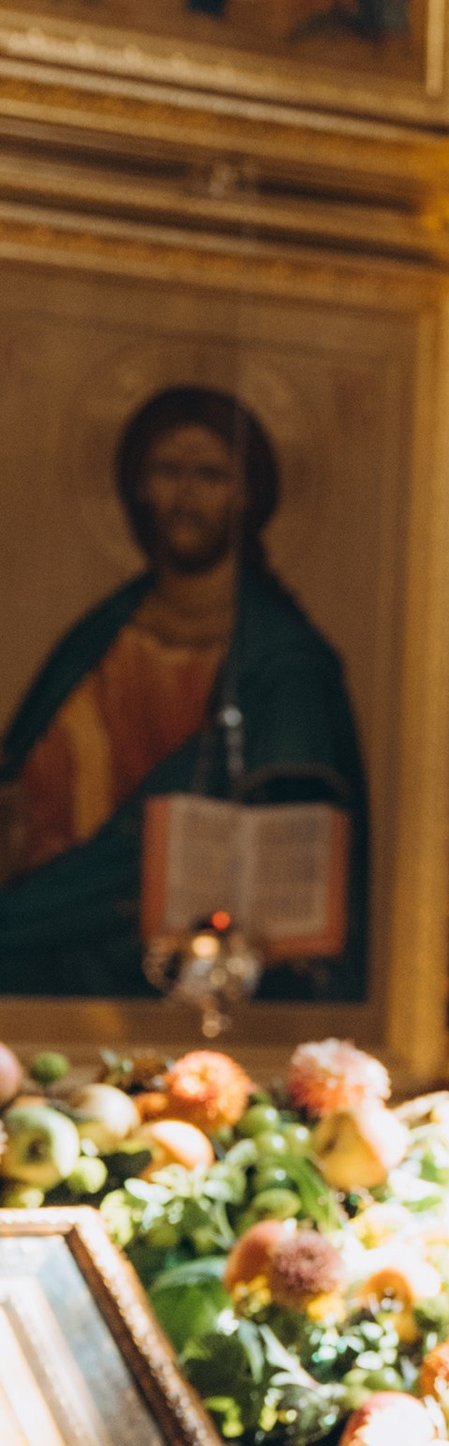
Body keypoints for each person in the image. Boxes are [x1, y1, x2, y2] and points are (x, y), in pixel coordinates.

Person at [0, 386, 368, 1000]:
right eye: (167, 472)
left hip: (184, 947)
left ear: (247, 494)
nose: (185, 496)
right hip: (57, 912)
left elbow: (298, 835)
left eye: (211, 475)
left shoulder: (285, 660)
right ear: (138, 486)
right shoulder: (100, 635)